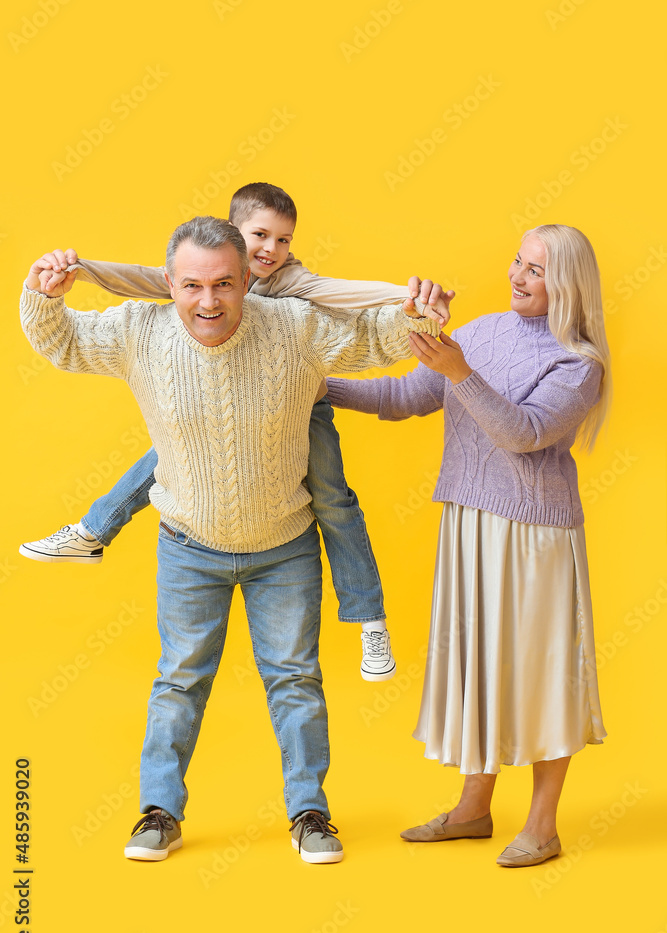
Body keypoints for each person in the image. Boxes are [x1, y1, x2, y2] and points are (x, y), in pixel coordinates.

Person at [20, 215, 443, 864]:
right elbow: (62, 342)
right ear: (170, 283)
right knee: (179, 681)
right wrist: (44, 293)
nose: (208, 301)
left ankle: (310, 816)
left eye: (223, 284)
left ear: (248, 279)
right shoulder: (140, 331)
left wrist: (415, 315)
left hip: (285, 547)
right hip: (189, 546)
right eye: (191, 286)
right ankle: (158, 813)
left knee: (296, 680)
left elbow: (369, 342)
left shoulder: (293, 328)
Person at [18, 182, 453, 683]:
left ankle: (369, 620)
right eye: (260, 236)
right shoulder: (203, 274)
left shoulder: (294, 287)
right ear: (232, 237)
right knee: (170, 456)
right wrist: (74, 273)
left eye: (283, 240)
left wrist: (411, 306)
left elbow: (354, 310)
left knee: (334, 503)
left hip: (302, 411)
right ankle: (93, 531)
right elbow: (138, 282)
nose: (271, 249)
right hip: (221, 442)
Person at [326, 224, 610, 868]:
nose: (517, 275)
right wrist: (319, 386)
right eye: (518, 260)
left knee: (542, 674)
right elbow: (402, 398)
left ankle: (543, 823)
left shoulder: (579, 363)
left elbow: (524, 433)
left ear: (568, 284)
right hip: (469, 524)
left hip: (535, 532)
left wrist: (459, 370)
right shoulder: (481, 330)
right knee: (479, 667)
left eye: (536, 269)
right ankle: (473, 809)